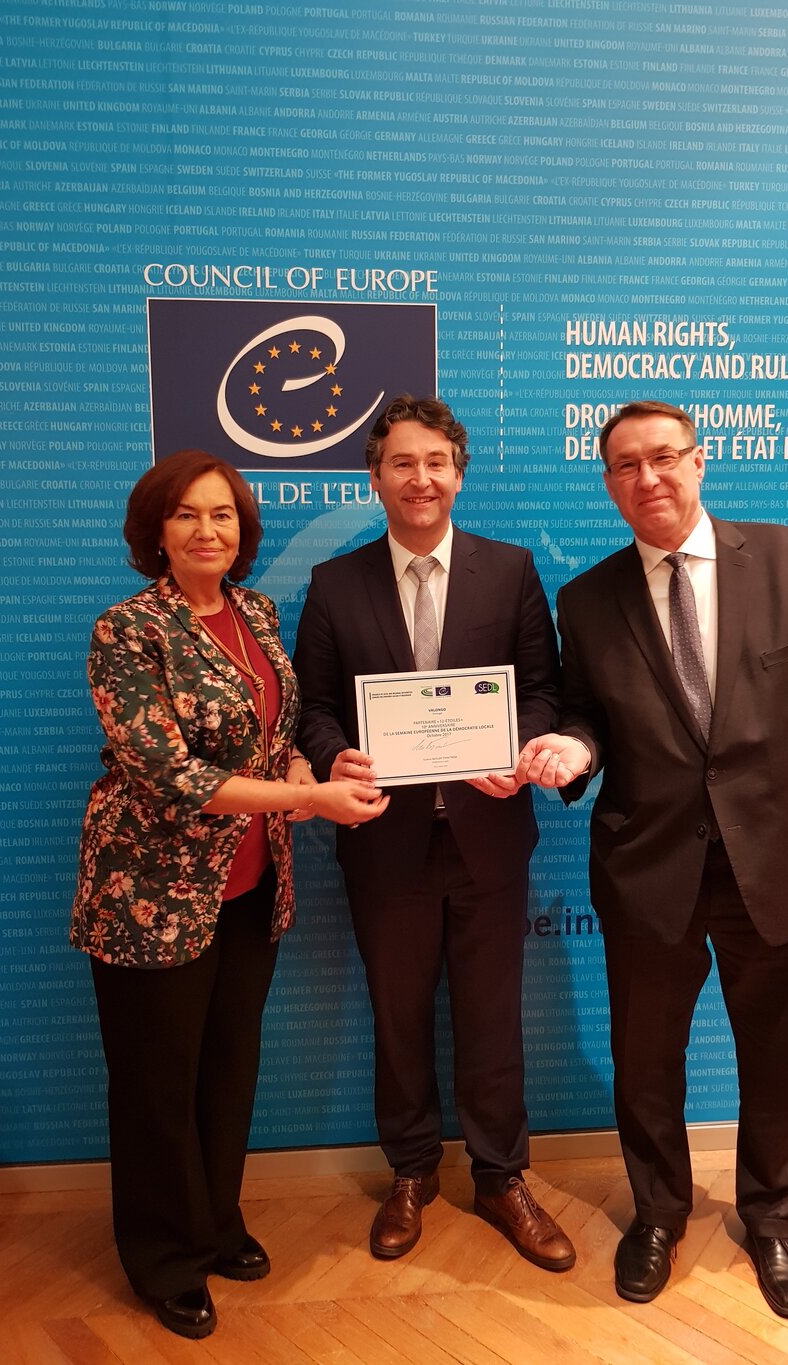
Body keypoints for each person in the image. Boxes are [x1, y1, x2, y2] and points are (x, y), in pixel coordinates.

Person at [517, 400, 788, 1319]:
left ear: (699, 460)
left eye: (664, 457)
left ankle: (776, 1223)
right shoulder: (587, 599)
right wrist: (574, 749)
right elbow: (587, 714)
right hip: (648, 867)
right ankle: (657, 1215)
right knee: (645, 1060)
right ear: (609, 485)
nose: (648, 478)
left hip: (776, 860)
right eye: (625, 466)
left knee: (779, 1056)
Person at [71, 449, 387, 1340]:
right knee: (155, 1082)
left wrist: (316, 772)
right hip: (151, 894)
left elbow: (274, 741)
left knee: (226, 1066)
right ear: (155, 531)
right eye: (186, 514)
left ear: (242, 529)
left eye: (222, 514)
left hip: (250, 884)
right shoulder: (127, 629)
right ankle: (164, 1256)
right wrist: (308, 801)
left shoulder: (256, 612)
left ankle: (214, 1222)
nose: (207, 530)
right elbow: (170, 773)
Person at [293, 394, 576, 1270]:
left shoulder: (511, 569)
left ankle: (500, 1176)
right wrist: (335, 755)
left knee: (493, 1019)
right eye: (402, 463)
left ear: (459, 474)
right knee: (399, 1017)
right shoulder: (335, 584)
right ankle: (411, 1172)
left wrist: (521, 748)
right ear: (375, 478)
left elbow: (542, 689)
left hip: (489, 838)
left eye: (436, 463)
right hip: (385, 842)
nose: (421, 478)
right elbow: (314, 706)